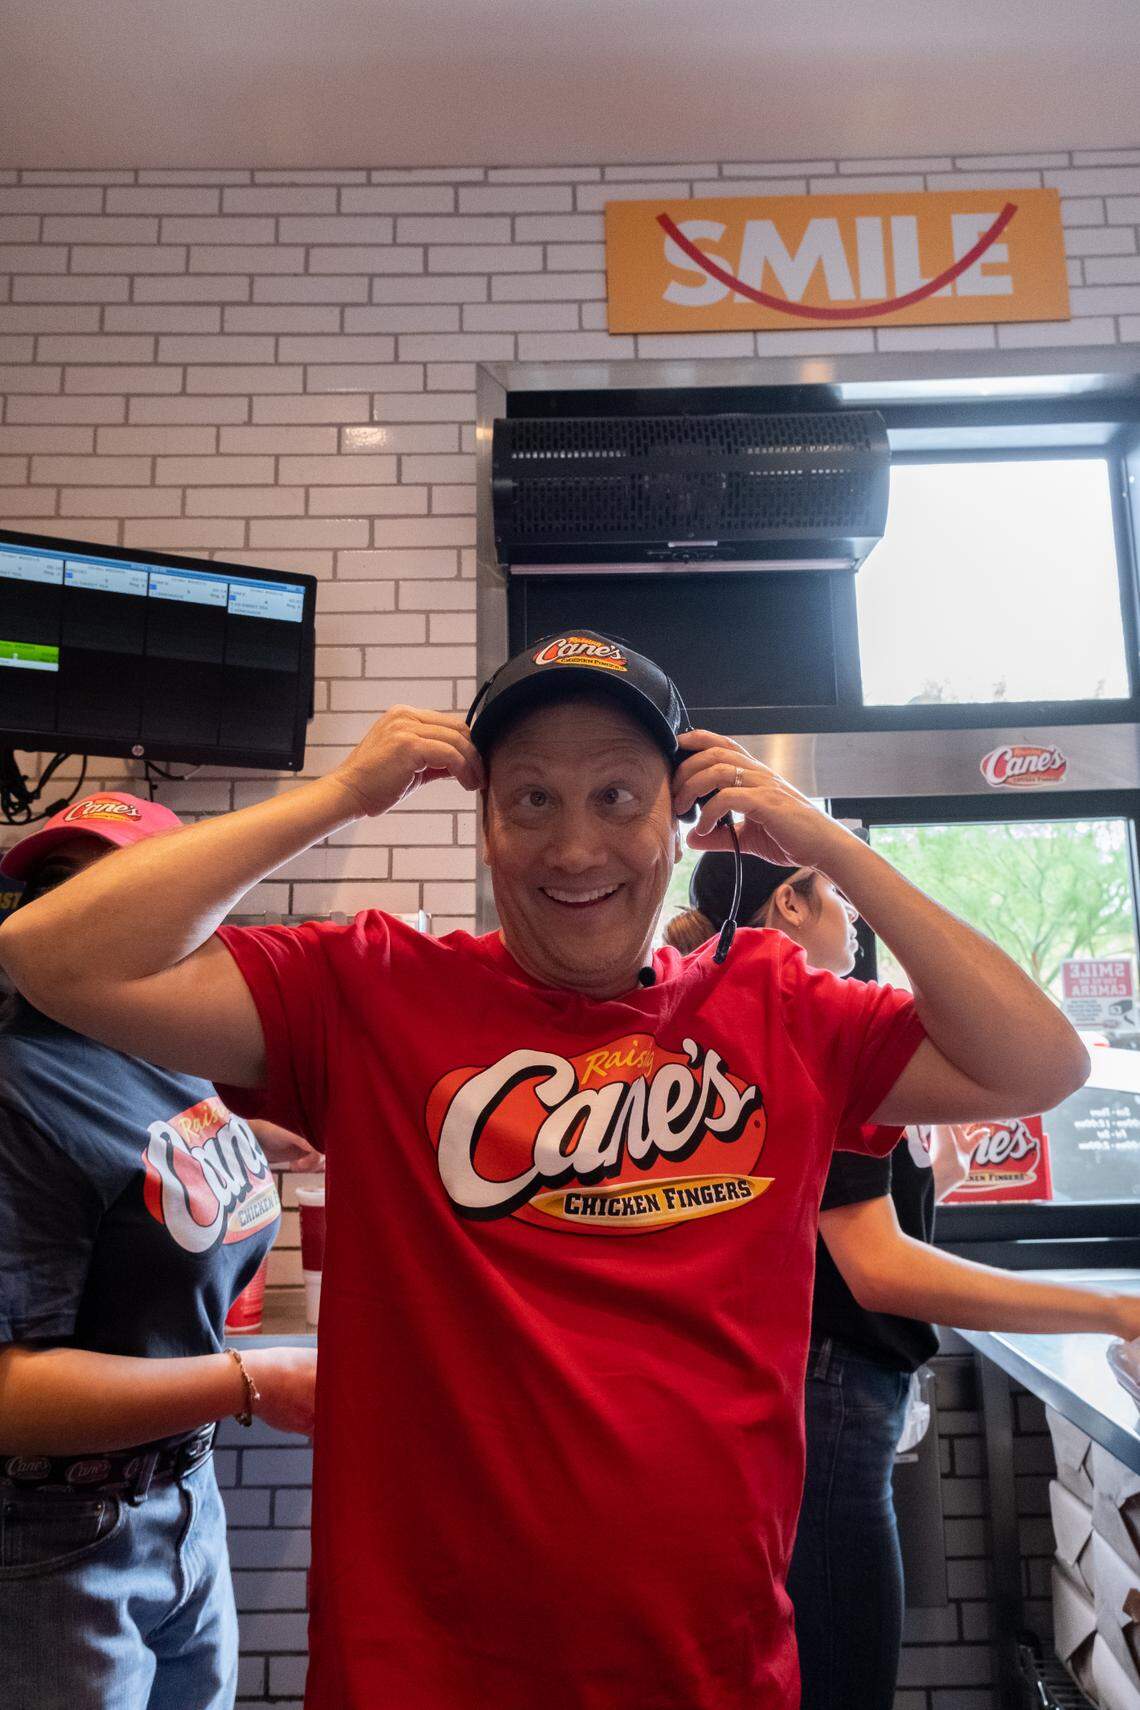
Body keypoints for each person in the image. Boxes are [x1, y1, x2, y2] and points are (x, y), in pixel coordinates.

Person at [0, 632, 1089, 1710]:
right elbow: (53, 956)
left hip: (711, 1667)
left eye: (618, 797)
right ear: (484, 828)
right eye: (531, 801)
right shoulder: (369, 991)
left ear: (683, 820)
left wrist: (830, 847)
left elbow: (1040, 1062)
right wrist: (340, 794)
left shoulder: (780, 1005)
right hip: (421, 1674)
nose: (575, 850)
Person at [669, 849, 1140, 1710]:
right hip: (831, 1392)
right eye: (842, 896)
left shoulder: (798, 1035)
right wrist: (1115, 1309)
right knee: (844, 1675)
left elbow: (827, 1217)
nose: (855, 919)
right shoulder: (800, 1036)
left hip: (832, 1391)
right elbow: (874, 1269)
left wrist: (936, 1177)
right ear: (792, 902)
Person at [0, 792, 318, 1710]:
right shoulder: (15, 1081)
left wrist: (239, 1142)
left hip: (184, 1504)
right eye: (55, 886)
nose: (75, 914)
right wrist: (251, 1384)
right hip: (48, 1543)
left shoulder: (155, 1044)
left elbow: (122, 1168)